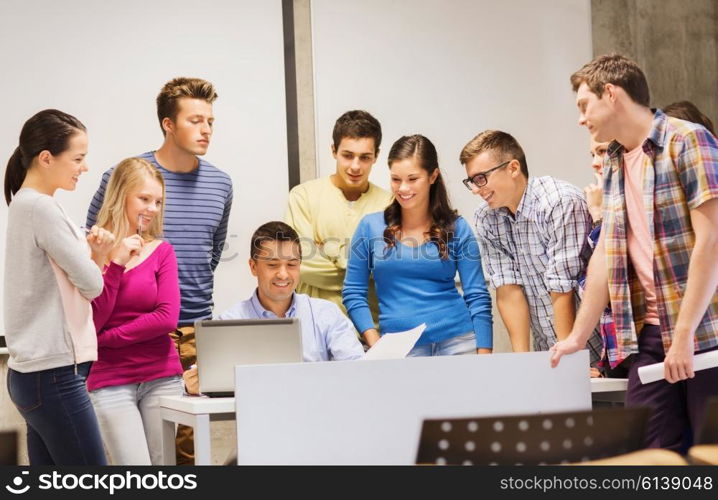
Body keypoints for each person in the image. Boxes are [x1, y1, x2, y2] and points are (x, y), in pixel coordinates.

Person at [551, 54, 718, 451]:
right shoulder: (613, 162)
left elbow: (711, 243)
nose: (581, 119)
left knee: (709, 453)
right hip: (647, 337)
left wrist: (683, 335)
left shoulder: (687, 140)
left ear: (611, 94)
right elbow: (606, 256)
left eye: (583, 105)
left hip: (705, 333)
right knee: (653, 457)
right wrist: (578, 335)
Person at [86, 77, 232, 464]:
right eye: (196, 120)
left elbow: (212, 254)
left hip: (191, 333)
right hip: (118, 348)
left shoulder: (220, 183)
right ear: (169, 124)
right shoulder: (128, 178)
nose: (206, 130)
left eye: (211, 121)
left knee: (182, 458)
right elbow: (96, 250)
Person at [3, 109, 115, 465]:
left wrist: (92, 253)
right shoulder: (42, 209)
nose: (84, 168)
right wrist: (100, 254)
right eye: (78, 159)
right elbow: (92, 284)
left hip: (34, 375)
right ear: (46, 158)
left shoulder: (27, 204)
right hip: (53, 376)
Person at [343, 134, 493, 355]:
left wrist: (485, 353)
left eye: (413, 179)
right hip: (399, 347)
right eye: (396, 179)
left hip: (459, 340)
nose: (403, 188)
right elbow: (353, 292)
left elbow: (477, 295)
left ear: (433, 176)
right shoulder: (370, 227)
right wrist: (376, 344)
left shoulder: (457, 228)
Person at [461, 130, 602, 365]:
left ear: (513, 168)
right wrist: (523, 363)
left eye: (481, 178)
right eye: (471, 182)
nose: (476, 189)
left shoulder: (559, 202)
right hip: (547, 350)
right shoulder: (487, 217)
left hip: (594, 347)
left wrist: (570, 360)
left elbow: (562, 286)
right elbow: (508, 290)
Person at [183, 221, 364, 394]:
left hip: (317, 413)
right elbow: (212, 382)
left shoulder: (326, 314)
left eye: (292, 264)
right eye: (272, 265)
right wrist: (192, 385)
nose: (283, 274)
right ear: (253, 267)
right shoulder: (228, 323)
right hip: (254, 419)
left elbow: (357, 369)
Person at [86, 157, 182, 465]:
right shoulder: (92, 247)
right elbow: (92, 319)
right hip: (110, 379)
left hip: (162, 376)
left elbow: (167, 317)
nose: (153, 209)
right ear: (120, 194)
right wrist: (115, 265)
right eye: (144, 199)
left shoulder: (162, 251)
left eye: (158, 201)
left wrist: (107, 339)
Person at [285, 110, 392, 327]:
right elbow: (301, 267)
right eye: (347, 155)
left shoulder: (389, 204)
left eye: (365, 157)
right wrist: (362, 268)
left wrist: (329, 251)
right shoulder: (303, 196)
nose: (355, 166)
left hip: (371, 329)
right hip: (315, 329)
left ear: (376, 156)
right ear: (334, 151)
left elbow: (387, 273)